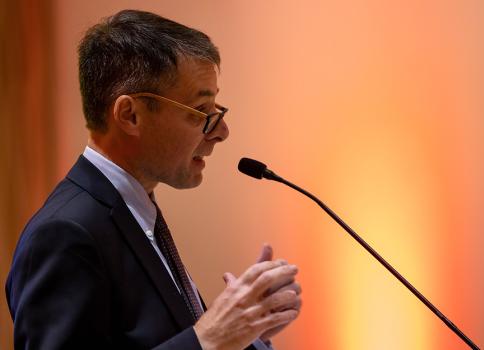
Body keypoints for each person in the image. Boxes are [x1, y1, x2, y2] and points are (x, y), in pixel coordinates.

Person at [5, 9, 301, 350]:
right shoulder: (64, 234)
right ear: (130, 115)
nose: (221, 131)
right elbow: (199, 343)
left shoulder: (134, 211)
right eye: (202, 112)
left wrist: (247, 333)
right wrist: (210, 338)